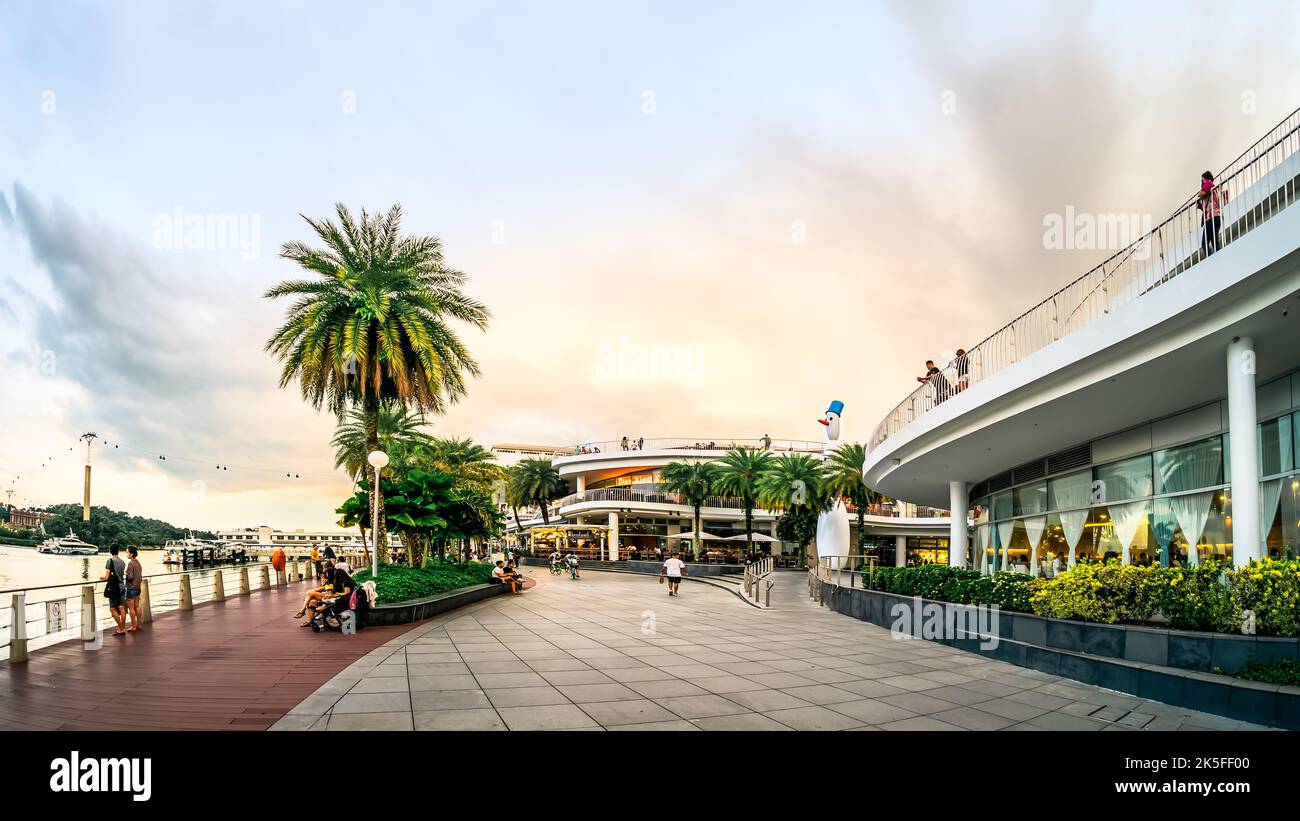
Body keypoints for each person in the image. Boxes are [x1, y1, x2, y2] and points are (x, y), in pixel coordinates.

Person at [101, 546, 128, 636]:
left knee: (112, 608)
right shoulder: (122, 562)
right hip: (122, 586)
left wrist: (102, 578)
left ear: (110, 551)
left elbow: (107, 576)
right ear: (118, 552)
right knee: (122, 608)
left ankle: (121, 628)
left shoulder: (110, 561)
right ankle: (123, 628)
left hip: (114, 588)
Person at [1198, 171, 1225, 257]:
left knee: (1204, 244)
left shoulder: (1208, 182)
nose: (1201, 182)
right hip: (1215, 217)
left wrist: (1200, 193)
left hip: (1211, 218)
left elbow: (1202, 193)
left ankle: (1212, 260)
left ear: (1204, 178)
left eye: (1202, 180)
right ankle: (1219, 259)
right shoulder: (1213, 189)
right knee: (1214, 242)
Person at [124, 546, 143, 632]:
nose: (127, 554)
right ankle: (138, 624)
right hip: (138, 587)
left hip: (131, 588)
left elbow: (130, 576)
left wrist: (126, 573)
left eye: (127, 552)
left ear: (131, 554)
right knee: (137, 606)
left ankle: (133, 626)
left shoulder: (130, 563)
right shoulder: (138, 563)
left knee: (131, 608)